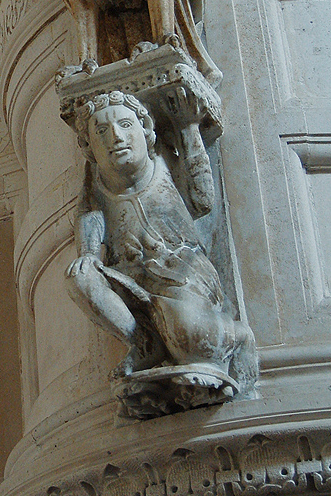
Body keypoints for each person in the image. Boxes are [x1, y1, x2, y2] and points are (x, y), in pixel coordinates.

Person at [66, 90, 256, 392]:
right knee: (80, 277)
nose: (115, 137)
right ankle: (144, 343)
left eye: (126, 125)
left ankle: (235, 337)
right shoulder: (96, 181)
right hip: (129, 277)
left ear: (145, 130)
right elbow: (89, 215)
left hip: (181, 273)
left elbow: (202, 202)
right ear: (90, 147)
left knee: (188, 336)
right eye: (101, 131)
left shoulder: (164, 160)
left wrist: (188, 128)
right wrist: (89, 253)